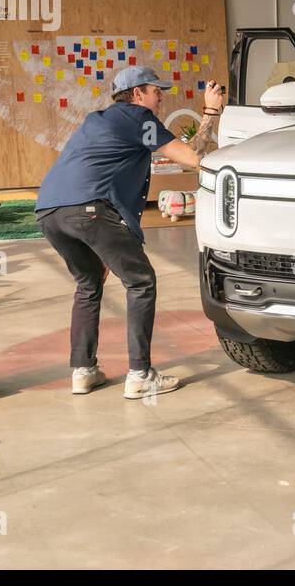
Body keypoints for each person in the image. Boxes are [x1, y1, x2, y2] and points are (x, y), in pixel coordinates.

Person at [35, 66, 224, 399]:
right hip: (88, 210)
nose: (161, 97)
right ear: (137, 95)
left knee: (88, 283)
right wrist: (210, 111)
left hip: (49, 211)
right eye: (156, 91)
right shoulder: (139, 117)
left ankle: (83, 371)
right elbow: (193, 157)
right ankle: (140, 375)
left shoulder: (96, 120)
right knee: (141, 281)